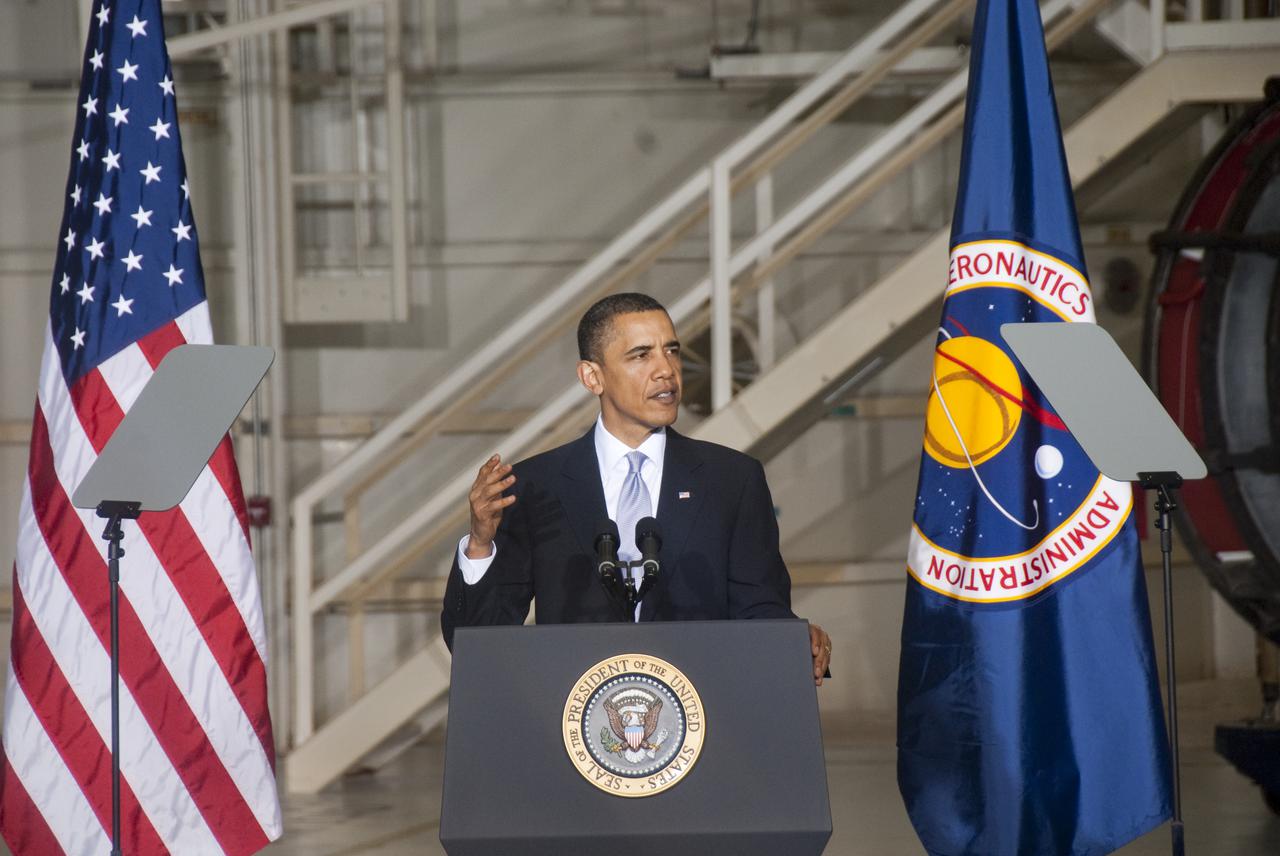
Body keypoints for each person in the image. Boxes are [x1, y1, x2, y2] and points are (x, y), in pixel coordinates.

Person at [440, 292, 833, 684]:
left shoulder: (732, 479)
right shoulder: (536, 485)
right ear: (592, 377)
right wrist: (480, 545)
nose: (666, 370)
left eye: (672, 351)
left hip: (701, 706)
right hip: (571, 711)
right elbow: (476, 643)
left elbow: (760, 610)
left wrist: (794, 639)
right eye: (641, 355)